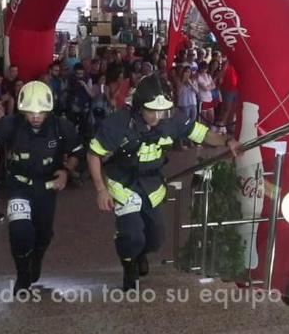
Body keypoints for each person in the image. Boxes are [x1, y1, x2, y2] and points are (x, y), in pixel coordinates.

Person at [87, 76, 240, 290]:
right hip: (123, 184)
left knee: (156, 237)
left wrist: (227, 140)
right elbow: (94, 154)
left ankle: (141, 253)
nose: (157, 117)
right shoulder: (118, 123)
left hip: (153, 184)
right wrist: (101, 190)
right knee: (132, 235)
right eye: (151, 111)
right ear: (139, 107)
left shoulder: (173, 119)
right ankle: (129, 266)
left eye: (162, 111)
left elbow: (204, 134)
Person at [0, 81, 82, 292]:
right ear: (23, 110)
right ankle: (22, 272)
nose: (35, 117)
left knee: (43, 233)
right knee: (19, 230)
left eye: (40, 112)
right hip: (19, 184)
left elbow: (77, 152)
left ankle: (36, 258)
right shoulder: (9, 124)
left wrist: (66, 171)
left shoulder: (61, 126)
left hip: (47, 187)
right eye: (30, 112)